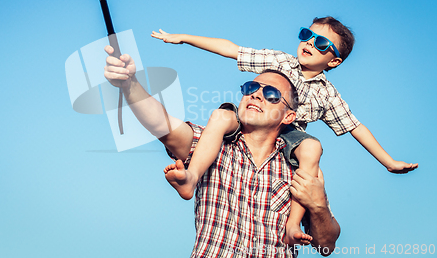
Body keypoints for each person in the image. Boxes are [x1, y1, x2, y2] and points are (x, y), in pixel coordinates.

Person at [151, 16, 418, 246]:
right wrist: (183, 37)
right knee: (220, 116)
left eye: (322, 43)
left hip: (288, 138)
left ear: (334, 61)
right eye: (307, 35)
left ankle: (292, 226)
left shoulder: (328, 94)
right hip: (251, 122)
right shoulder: (279, 61)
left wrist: (389, 162)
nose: (310, 43)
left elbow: (355, 127)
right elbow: (232, 50)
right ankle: (191, 178)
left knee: (312, 149)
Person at [103, 45, 340, 257]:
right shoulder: (212, 143)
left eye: (271, 95)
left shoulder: (299, 164)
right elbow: (161, 124)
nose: (257, 94)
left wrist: (319, 207)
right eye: (251, 87)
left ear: (289, 116)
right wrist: (129, 84)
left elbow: (326, 246)